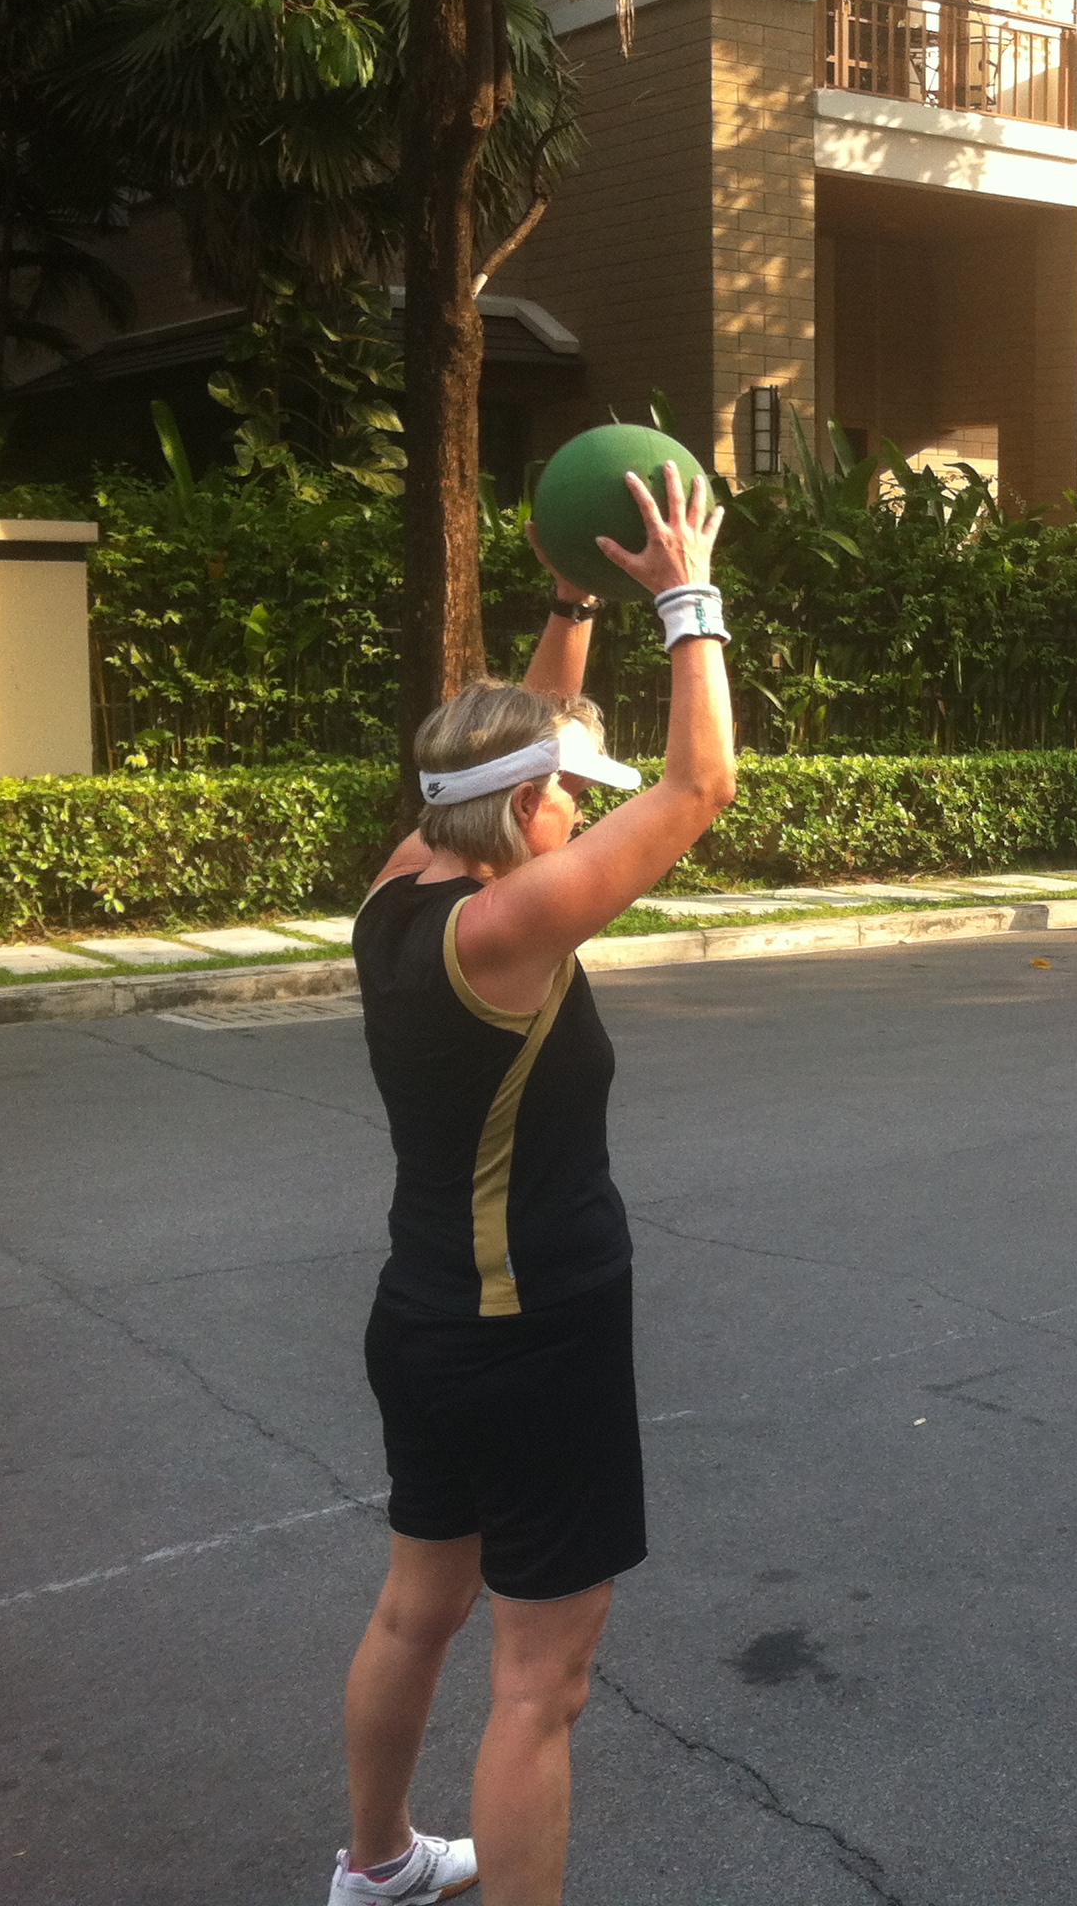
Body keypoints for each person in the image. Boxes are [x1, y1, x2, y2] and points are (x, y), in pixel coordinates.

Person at [328, 462, 735, 1906]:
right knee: (540, 1683)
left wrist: (571, 603)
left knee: (418, 1608)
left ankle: (379, 1864)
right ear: (514, 814)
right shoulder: (509, 932)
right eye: (560, 790)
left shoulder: (401, 890)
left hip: (425, 1318)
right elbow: (700, 785)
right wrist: (685, 596)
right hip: (532, 1336)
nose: (573, 802)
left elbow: (516, 746)